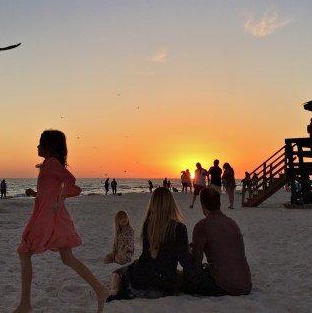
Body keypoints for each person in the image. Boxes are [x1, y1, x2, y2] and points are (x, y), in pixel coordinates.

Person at [13, 129, 109, 313]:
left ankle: (25, 305)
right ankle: (101, 290)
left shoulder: (50, 163)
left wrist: (60, 200)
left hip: (48, 215)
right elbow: (51, 188)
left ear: (49, 147)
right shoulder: (49, 164)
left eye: (40, 144)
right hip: (56, 215)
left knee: (24, 251)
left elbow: (70, 180)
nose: (37, 146)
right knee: (67, 258)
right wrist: (36, 193)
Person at [107, 187, 196, 301]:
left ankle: (113, 290)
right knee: (177, 274)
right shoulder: (179, 228)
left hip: (141, 279)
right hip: (163, 285)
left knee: (117, 272)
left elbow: (149, 256)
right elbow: (185, 261)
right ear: (170, 204)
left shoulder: (148, 224)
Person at [186, 187, 252, 296]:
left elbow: (196, 262)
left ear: (202, 205)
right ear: (220, 204)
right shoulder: (232, 223)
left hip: (223, 285)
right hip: (245, 284)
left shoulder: (202, 225)